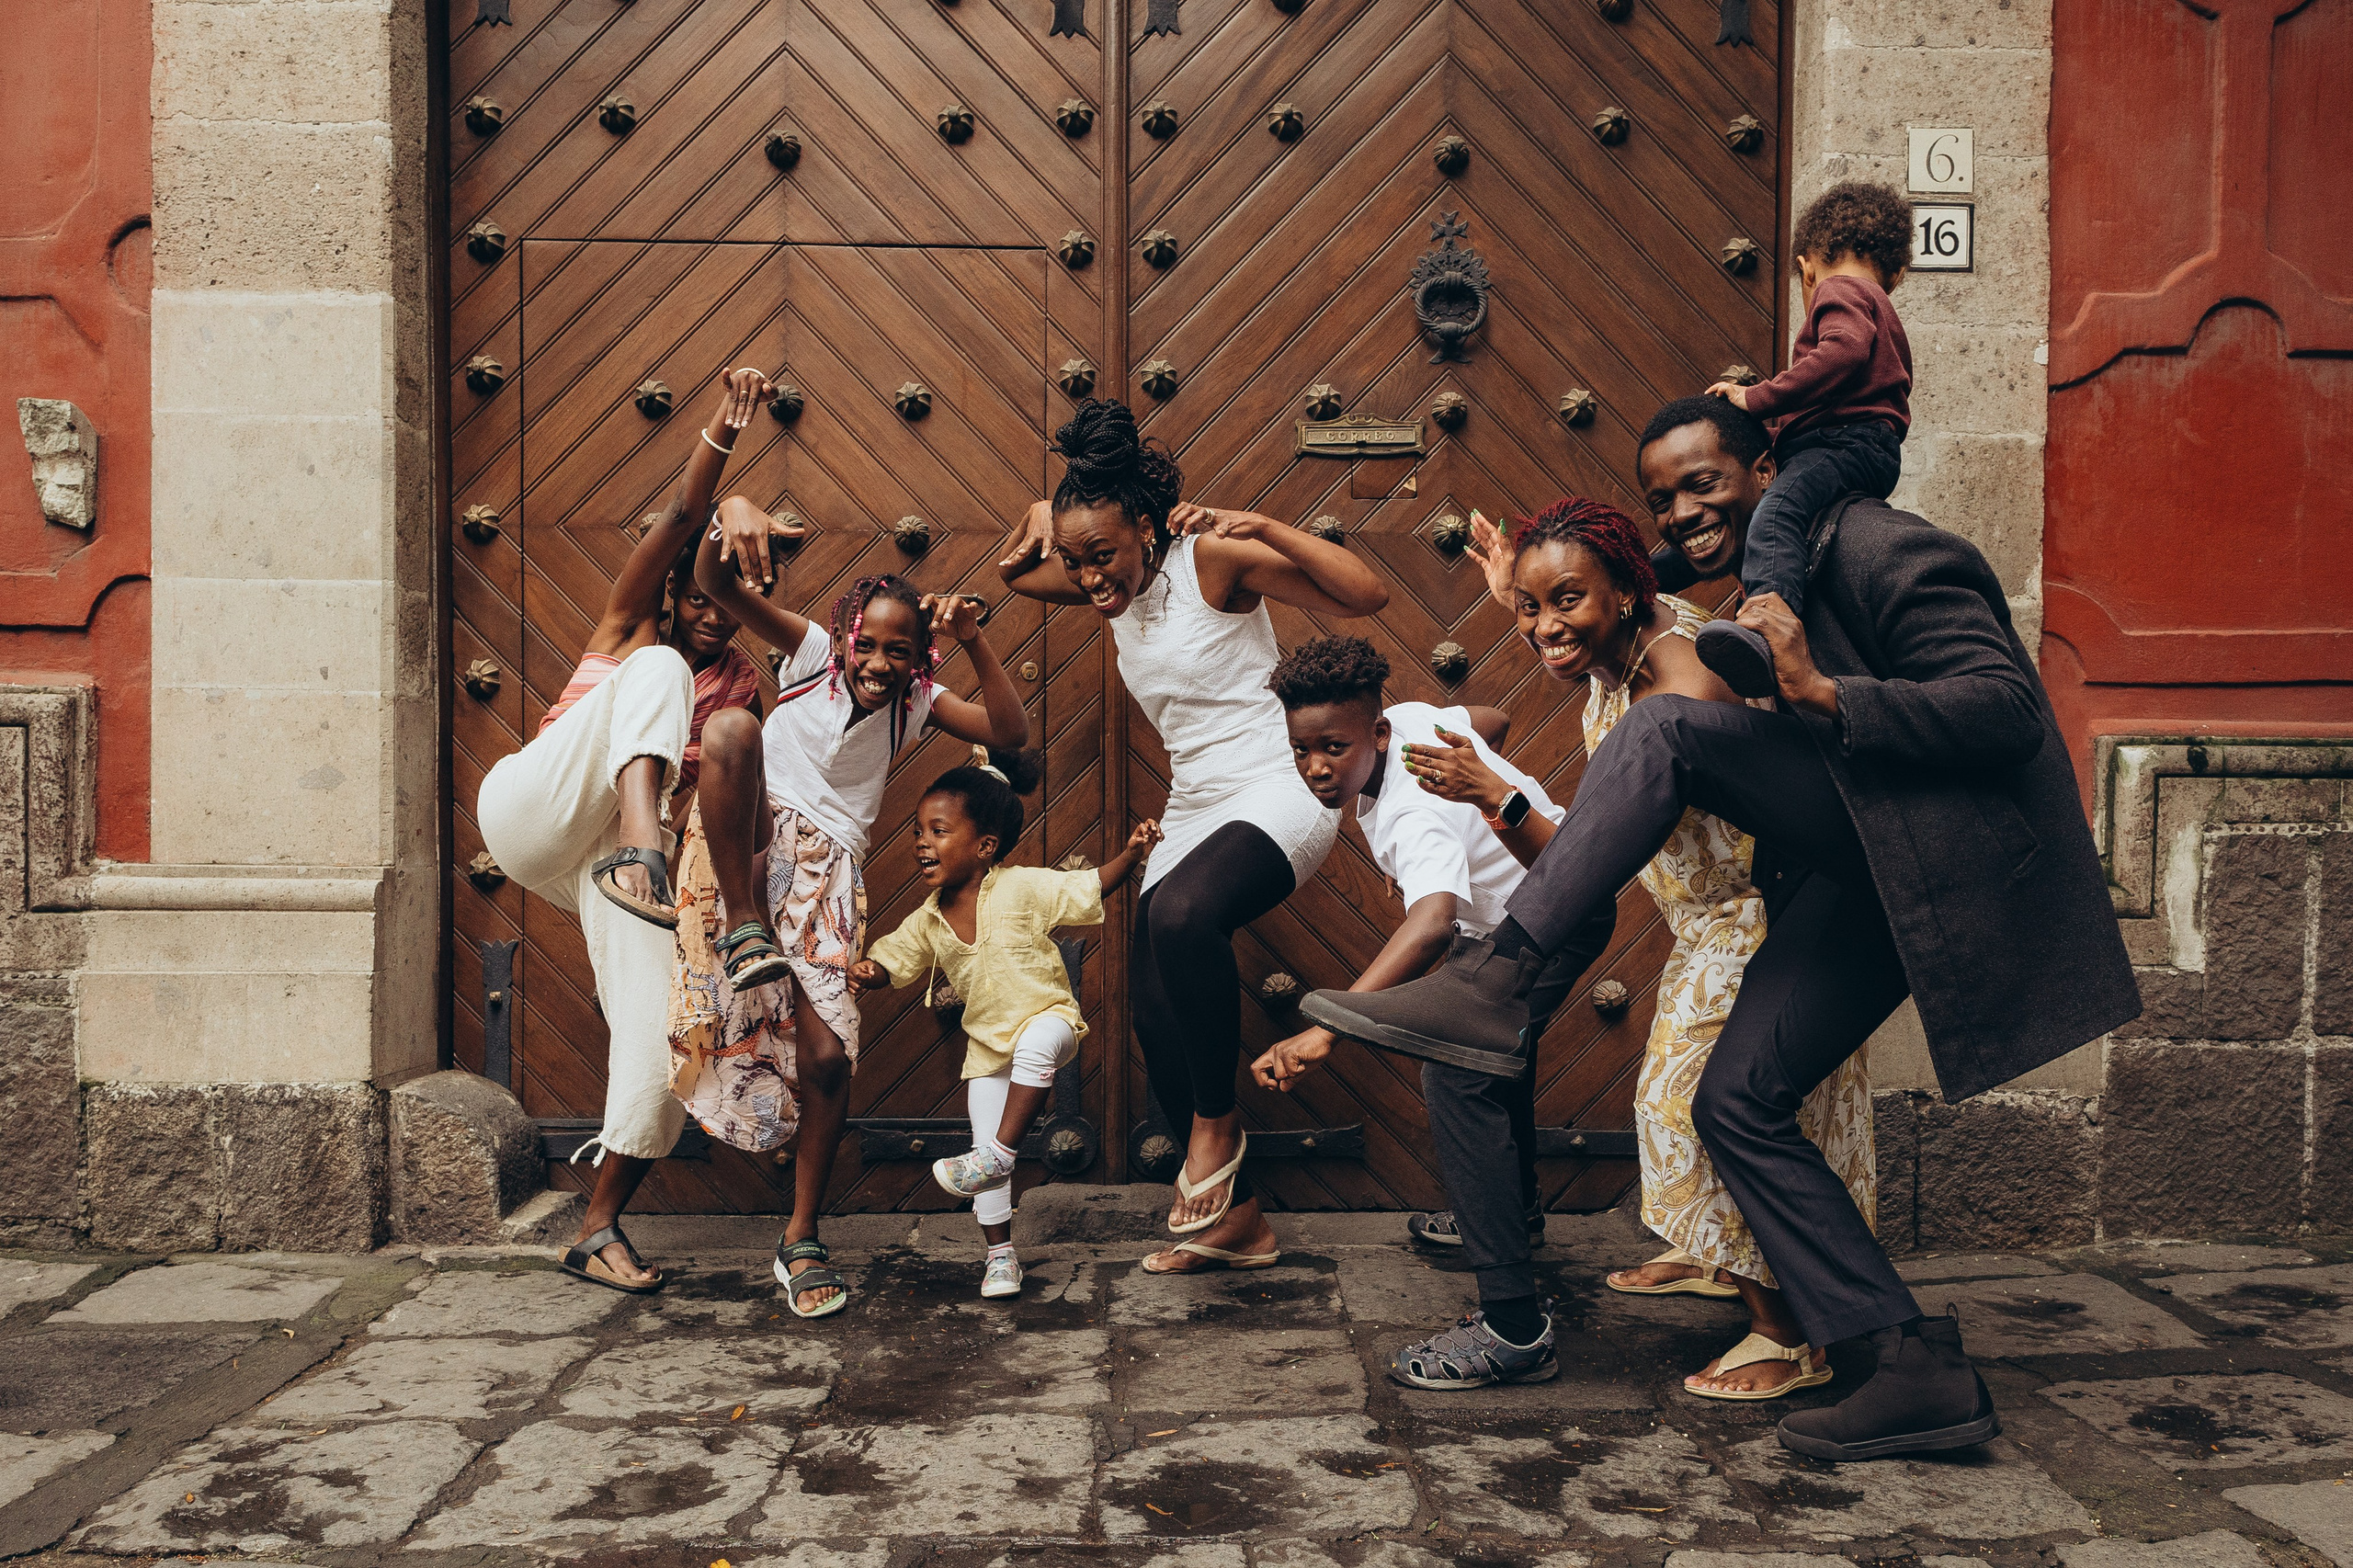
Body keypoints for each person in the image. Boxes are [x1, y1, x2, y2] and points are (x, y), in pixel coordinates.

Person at [1302, 395, 2141, 1460]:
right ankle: (1911, 1364)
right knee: (1734, 1103)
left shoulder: (1886, 548)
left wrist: (1822, 692)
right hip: (1844, 873)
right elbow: (1616, 577)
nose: (1685, 513)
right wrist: (1519, 578)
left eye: (1706, 484)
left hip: (1930, 854)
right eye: (1663, 496)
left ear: (1768, 468)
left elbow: (2008, 712)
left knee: (1664, 731)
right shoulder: (1753, 568)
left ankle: (1497, 981)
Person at [1434, 500, 1876, 1402]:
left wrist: (1501, 798)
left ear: (1630, 592)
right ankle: (1725, 1259)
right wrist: (1518, 593)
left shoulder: (1682, 688)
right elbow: (1584, 850)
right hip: (1704, 924)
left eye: (1564, 601)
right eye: (1526, 609)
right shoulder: (1628, 641)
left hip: (1754, 925)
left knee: (1688, 1111)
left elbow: (1584, 864)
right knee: (1697, 1111)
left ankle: (1786, 1334)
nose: (1542, 626)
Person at [997, 399, 1389, 1275]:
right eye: (1079, 562)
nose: (1093, 580)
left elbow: (1368, 593)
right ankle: (1238, 1224)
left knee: (1180, 919)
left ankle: (1215, 1128)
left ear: (1145, 526)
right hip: (1197, 803)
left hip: (1279, 783)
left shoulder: (1213, 560)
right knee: (1151, 1007)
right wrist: (1042, 520)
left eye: (1105, 556)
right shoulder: (1105, 576)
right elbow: (1019, 573)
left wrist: (1268, 525)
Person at [672, 502, 1029, 1317]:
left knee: (829, 1061)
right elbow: (710, 579)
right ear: (844, 637)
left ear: (917, 659)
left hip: (828, 877)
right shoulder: (807, 655)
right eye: (865, 643)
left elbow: (1010, 732)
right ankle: (744, 929)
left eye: (895, 650)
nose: (875, 660)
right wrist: (731, 513)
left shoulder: (919, 702)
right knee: (731, 728)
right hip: (751, 838)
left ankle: (800, 1238)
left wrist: (975, 638)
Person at [474, 367, 771, 1295]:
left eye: (729, 602)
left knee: (667, 1039)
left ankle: (596, 1226)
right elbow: (683, 518)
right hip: (535, 807)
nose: (712, 615)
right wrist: (728, 458)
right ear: (678, 588)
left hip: (614, 863)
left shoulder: (742, 689)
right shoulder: (633, 628)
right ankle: (643, 842)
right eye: (699, 597)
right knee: (657, 675)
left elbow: (737, 805)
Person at [1248, 633, 1609, 1389]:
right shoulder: (1412, 720)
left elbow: (1434, 922)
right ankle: (1516, 1216)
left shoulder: (1411, 811)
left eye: (1334, 748)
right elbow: (1493, 720)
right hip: (1551, 897)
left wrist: (1327, 1029)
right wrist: (1441, 855)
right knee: (1493, 1060)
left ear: (1377, 733)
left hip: (1545, 916)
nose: (1317, 766)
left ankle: (1515, 1328)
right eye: (1303, 749)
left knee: (1460, 1073)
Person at [848, 748, 1163, 1298]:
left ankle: (998, 1154)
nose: (922, 842)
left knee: (1024, 1075)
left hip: (1050, 1021)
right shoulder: (927, 918)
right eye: (918, 831)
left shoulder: (1022, 887)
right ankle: (999, 1256)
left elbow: (1088, 887)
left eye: (938, 831)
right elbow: (896, 958)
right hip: (989, 1048)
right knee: (982, 1156)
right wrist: (870, 971)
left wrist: (1131, 855)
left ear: (984, 846)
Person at [1673, 180, 1915, 700]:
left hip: (1844, 443)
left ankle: (1766, 630)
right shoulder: (1879, 301)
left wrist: (1757, 398)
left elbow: (1842, 353)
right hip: (1864, 446)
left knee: (1776, 514)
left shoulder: (1839, 290)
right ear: (1895, 272)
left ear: (1807, 267)